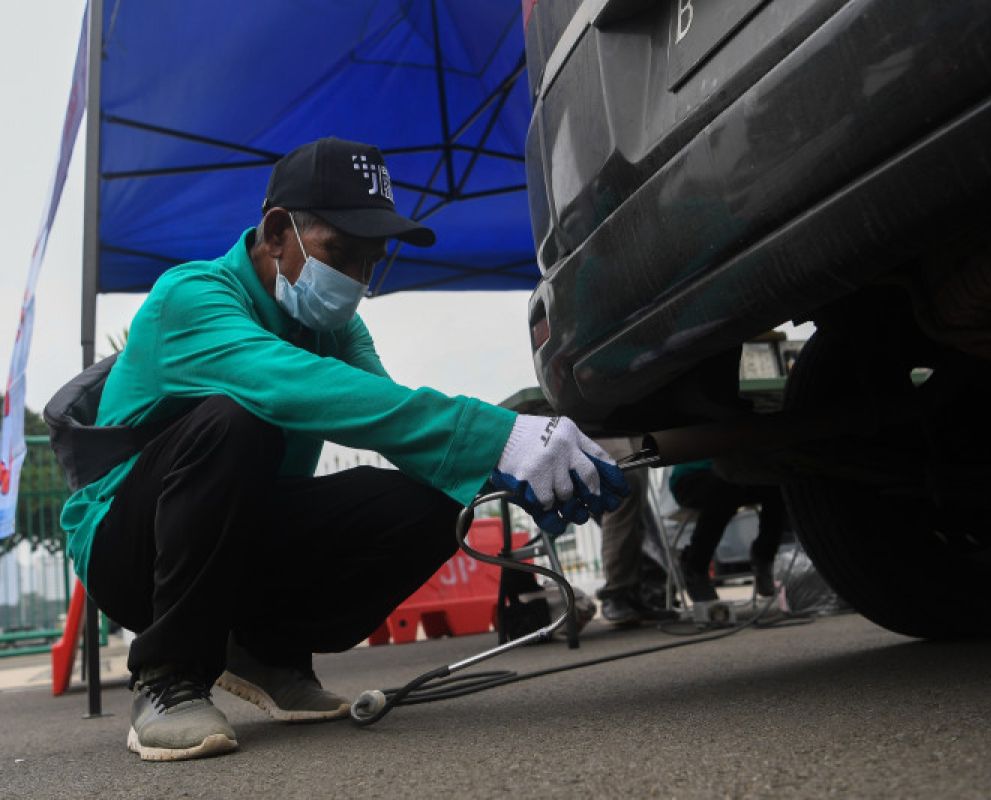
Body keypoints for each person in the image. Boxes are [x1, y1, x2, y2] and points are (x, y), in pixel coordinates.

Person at [58, 137, 627, 762]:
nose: (358, 279)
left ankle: (265, 652)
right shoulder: (191, 298)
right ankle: (167, 678)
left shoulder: (337, 328)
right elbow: (287, 383)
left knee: (440, 495)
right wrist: (494, 434)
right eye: (342, 253)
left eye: (371, 261)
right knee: (236, 420)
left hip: (238, 536)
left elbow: (388, 414)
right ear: (277, 233)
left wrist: (504, 464)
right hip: (126, 546)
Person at [669, 460, 784, 602]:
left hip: (736, 472)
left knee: (780, 486)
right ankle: (696, 566)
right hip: (692, 476)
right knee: (724, 489)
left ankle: (764, 555)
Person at [593, 437, 676, 627]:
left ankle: (635, 590)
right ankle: (617, 592)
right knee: (625, 481)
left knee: (637, 498)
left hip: (626, 418)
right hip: (586, 419)